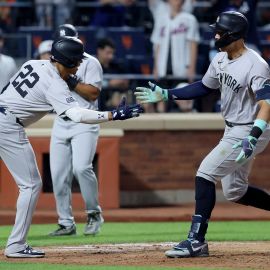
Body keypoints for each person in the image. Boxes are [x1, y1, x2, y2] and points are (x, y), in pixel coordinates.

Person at [135, 11, 270, 258]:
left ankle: (196, 240)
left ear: (234, 35)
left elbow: (267, 104)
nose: (216, 34)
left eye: (220, 31)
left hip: (250, 128)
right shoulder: (220, 58)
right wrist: (167, 94)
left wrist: (253, 135)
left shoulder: (256, 65)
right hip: (233, 127)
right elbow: (204, 87)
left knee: (205, 173)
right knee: (235, 192)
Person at [0, 36, 142, 258]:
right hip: (8, 126)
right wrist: (112, 114)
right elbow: (77, 114)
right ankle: (16, 245)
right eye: (76, 62)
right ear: (65, 62)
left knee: (30, 184)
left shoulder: (32, 64)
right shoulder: (55, 84)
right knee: (31, 184)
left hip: (3, 115)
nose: (78, 66)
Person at [48, 24, 105, 236]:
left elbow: (92, 93)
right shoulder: (50, 63)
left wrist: (70, 80)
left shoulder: (89, 61)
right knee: (58, 175)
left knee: (81, 168)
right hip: (61, 121)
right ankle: (66, 223)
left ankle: (93, 213)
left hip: (85, 120)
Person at [150, 0, 200, 112]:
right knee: (160, 101)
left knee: (185, 101)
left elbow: (193, 44)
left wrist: (192, 68)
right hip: (163, 68)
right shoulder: (161, 19)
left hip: (181, 69)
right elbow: (157, 44)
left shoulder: (189, 19)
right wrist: (155, 67)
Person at [96, 38, 130, 111]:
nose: (111, 56)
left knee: (121, 96)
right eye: (108, 53)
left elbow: (126, 82)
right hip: (98, 99)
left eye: (112, 53)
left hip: (115, 96)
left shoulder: (116, 66)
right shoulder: (92, 66)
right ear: (99, 51)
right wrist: (109, 83)